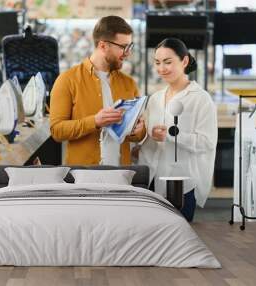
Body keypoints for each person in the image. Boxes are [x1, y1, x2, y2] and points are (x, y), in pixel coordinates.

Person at [138, 38, 218, 222]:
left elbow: (207, 142)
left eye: (168, 62)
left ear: (184, 61)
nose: (162, 68)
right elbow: (147, 137)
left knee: (179, 241)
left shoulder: (201, 99)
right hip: (150, 181)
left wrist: (171, 135)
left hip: (181, 185)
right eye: (157, 63)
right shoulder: (156, 98)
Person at [49, 16, 145, 165]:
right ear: (103, 46)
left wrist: (139, 130)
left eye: (129, 46)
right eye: (123, 47)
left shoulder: (129, 83)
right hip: (83, 177)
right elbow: (57, 131)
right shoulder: (67, 80)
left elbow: (137, 135)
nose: (128, 53)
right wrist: (94, 121)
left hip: (122, 175)